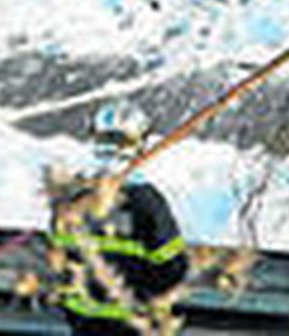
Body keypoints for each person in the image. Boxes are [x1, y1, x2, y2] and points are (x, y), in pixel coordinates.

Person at [48, 101, 189, 333]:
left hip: (85, 323)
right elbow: (173, 269)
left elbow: (59, 264)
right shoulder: (147, 202)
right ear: (139, 143)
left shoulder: (71, 198)